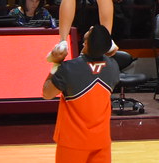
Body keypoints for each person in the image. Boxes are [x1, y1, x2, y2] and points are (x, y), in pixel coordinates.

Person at [42, 25, 119, 163]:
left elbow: (47, 93)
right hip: (101, 141)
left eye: (91, 30)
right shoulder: (113, 67)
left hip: (73, 142)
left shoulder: (69, 68)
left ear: (86, 43)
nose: (90, 27)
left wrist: (55, 64)